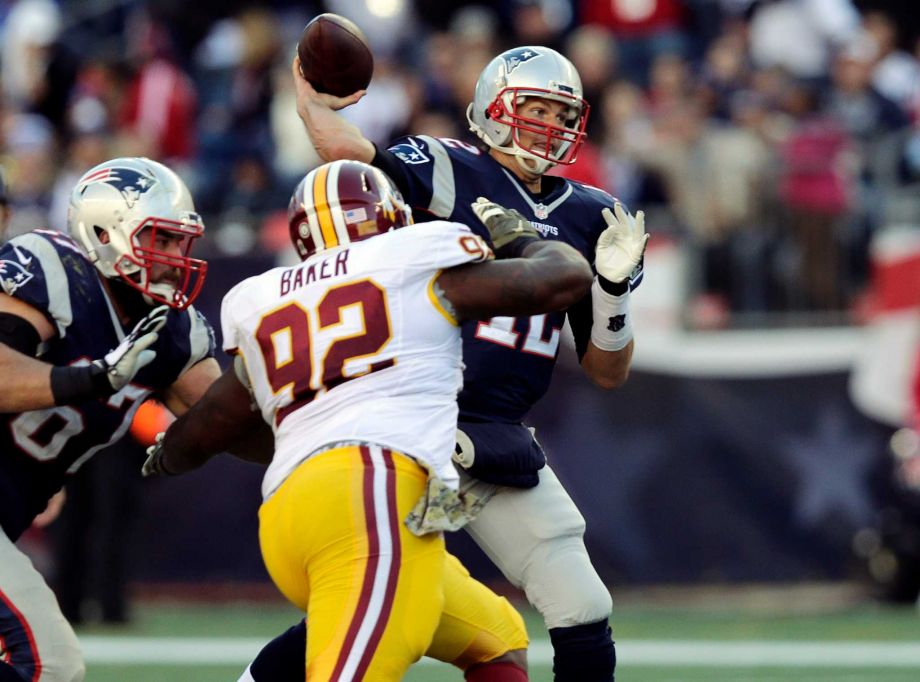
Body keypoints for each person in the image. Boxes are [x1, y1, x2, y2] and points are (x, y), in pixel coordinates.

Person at [265, 45, 648, 682]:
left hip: (490, 442)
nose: (551, 125)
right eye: (536, 108)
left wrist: (610, 292)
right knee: (379, 597)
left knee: (580, 602)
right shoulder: (447, 167)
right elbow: (348, 154)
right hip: (415, 427)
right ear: (494, 110)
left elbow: (607, 370)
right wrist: (312, 101)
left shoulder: (592, 214)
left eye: (563, 112)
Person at [142, 158, 595, 681]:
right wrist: (519, 240)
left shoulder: (267, 296)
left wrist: (168, 454)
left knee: (496, 638)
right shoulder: (411, 258)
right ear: (391, 216)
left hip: (289, 515)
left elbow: (210, 427)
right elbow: (563, 278)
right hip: (372, 498)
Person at [0, 157, 220, 682]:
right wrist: (94, 380)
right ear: (103, 233)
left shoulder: (171, 330)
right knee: (48, 664)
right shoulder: (54, 269)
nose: (172, 259)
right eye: (160, 240)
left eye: (178, 242)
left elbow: (227, 418)